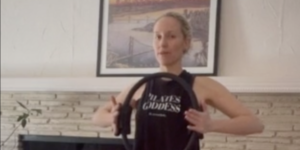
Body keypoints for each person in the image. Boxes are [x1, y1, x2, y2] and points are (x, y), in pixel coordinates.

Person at [92, 12, 264, 150]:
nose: (162, 43)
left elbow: (255, 124)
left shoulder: (201, 85)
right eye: (157, 37)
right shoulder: (141, 86)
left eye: (171, 36)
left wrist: (211, 125)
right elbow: (97, 117)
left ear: (186, 42)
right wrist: (112, 119)